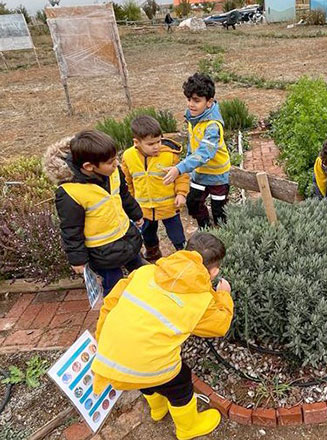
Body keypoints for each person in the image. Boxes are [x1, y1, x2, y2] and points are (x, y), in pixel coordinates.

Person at [91, 232, 233, 440]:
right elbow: (220, 326)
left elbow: (110, 304)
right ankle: (188, 428)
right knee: (180, 382)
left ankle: (157, 408)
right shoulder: (199, 300)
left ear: (183, 253)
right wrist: (223, 296)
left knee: (144, 377)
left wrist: (101, 338)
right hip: (147, 364)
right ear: (214, 272)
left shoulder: (145, 273)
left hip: (111, 358)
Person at [43, 130, 146, 296]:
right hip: (103, 252)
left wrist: (136, 213)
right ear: (89, 167)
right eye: (110, 162)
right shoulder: (70, 193)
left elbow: (124, 194)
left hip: (126, 237)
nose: (116, 164)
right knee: (114, 288)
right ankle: (114, 316)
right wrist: (78, 260)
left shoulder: (113, 172)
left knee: (141, 274)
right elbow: (71, 229)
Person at [163, 73, 231, 229]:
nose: (191, 104)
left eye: (196, 100)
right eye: (189, 99)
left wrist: (179, 169)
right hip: (200, 173)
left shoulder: (213, 126)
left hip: (218, 177)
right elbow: (193, 148)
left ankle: (223, 235)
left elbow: (204, 153)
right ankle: (205, 229)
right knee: (193, 203)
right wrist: (186, 168)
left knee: (219, 211)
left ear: (209, 102)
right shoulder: (193, 119)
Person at [122, 115, 190, 262]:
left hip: (168, 207)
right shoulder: (128, 157)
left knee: (176, 233)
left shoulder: (169, 155)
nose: (156, 146)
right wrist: (131, 204)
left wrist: (181, 193)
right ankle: (153, 252)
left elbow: (181, 176)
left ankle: (183, 253)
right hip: (144, 208)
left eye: (159, 141)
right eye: (151, 144)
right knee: (148, 234)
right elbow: (127, 183)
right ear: (136, 142)